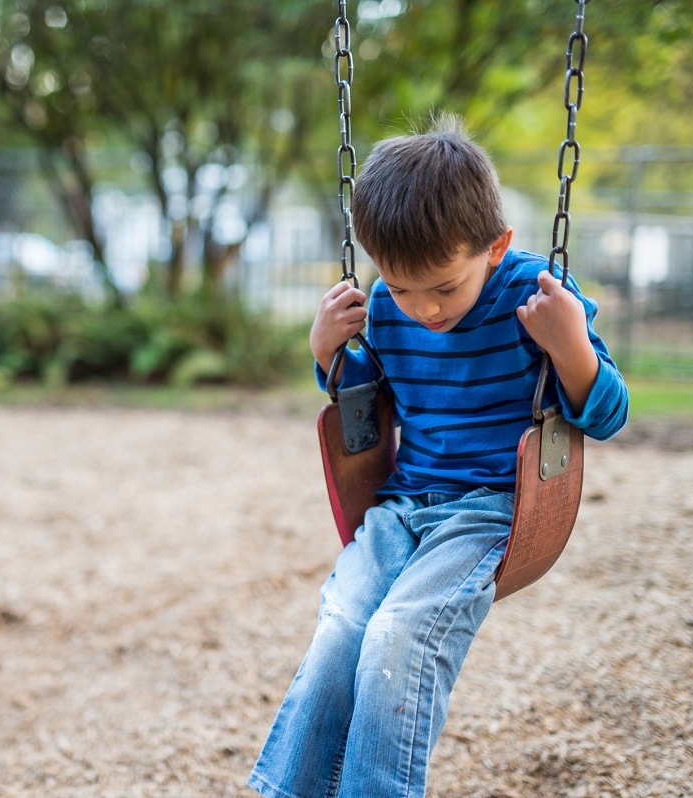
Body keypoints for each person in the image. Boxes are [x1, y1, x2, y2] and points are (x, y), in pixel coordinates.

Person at [247, 113, 629, 798]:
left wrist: (570, 347)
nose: (423, 309)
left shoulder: (537, 296)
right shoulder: (386, 306)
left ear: (495, 245)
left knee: (398, 634)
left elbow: (607, 415)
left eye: (445, 287)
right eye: (401, 288)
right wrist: (327, 354)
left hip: (489, 511)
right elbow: (369, 408)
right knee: (342, 628)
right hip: (402, 507)